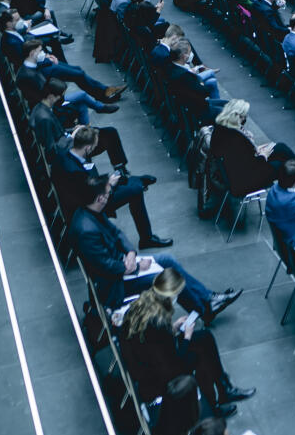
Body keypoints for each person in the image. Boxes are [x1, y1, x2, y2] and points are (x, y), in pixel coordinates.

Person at [70, 174, 240, 319]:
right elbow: (106, 267)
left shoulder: (91, 212)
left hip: (122, 264)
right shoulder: (87, 231)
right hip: (115, 284)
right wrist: (135, 266)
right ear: (100, 198)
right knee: (167, 276)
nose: (110, 195)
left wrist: (130, 252)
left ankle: (208, 298)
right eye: (108, 193)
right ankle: (204, 309)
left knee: (167, 259)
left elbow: (116, 232)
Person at [118, 269, 254, 419]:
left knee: (204, 337)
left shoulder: (143, 303)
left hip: (147, 361)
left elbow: (157, 341)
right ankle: (213, 406)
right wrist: (187, 337)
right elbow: (176, 360)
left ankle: (224, 388)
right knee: (198, 357)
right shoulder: (159, 322)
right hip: (158, 376)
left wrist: (174, 327)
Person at [54, 126, 171, 248]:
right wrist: (109, 184)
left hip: (86, 193)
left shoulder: (65, 155)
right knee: (136, 190)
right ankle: (146, 238)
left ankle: (134, 181)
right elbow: (91, 197)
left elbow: (86, 186)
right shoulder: (75, 171)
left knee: (130, 184)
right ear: (88, 148)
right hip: (87, 208)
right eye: (94, 147)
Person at [211, 100, 295, 189]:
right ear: (237, 116)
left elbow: (240, 158)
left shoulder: (222, 129)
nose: (244, 120)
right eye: (244, 117)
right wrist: (262, 154)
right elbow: (250, 163)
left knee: (280, 148)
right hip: (243, 180)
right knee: (282, 164)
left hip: (235, 173)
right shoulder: (235, 137)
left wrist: (256, 150)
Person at [166, 39, 226, 121]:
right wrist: (198, 79)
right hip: (197, 112)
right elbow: (204, 92)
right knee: (231, 110)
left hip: (188, 105)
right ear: (184, 56)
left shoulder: (170, 66)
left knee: (223, 98)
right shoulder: (184, 75)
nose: (191, 54)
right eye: (189, 52)